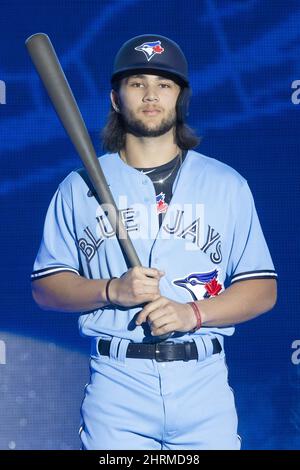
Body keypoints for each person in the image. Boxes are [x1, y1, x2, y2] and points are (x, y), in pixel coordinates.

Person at [31, 34, 278, 450]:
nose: (150, 94)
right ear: (115, 98)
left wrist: (192, 314)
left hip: (203, 382)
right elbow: (45, 287)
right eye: (137, 83)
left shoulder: (226, 184)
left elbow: (263, 288)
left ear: (180, 97)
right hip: (117, 383)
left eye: (164, 84)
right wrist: (112, 290)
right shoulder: (78, 187)